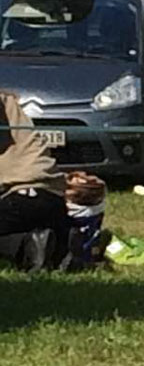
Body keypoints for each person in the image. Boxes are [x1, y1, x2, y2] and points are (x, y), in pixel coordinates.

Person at [0, 91, 69, 270]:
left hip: (22, 194)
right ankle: (61, 247)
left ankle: (26, 247)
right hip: (53, 198)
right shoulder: (7, 99)